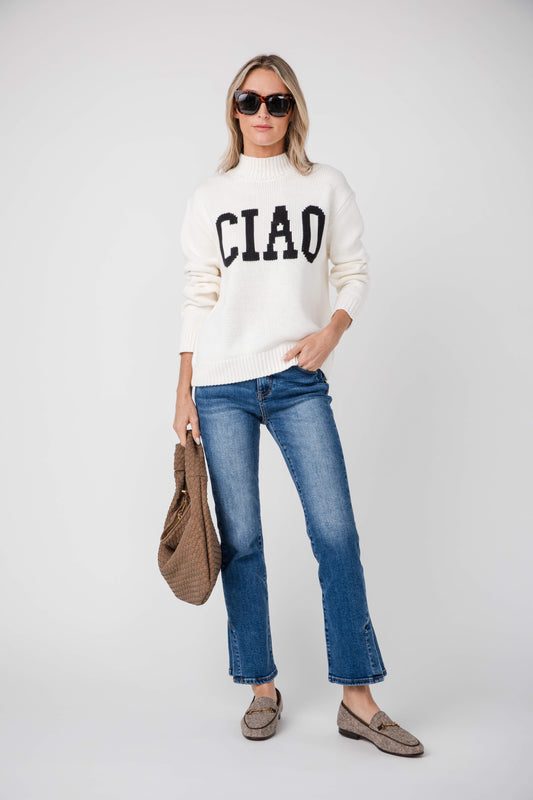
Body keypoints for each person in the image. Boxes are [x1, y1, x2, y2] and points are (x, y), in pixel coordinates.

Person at [173, 53, 424, 757]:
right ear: (233, 110)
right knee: (242, 540)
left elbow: (353, 272)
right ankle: (261, 687)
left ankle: (357, 697)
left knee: (334, 533)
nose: (262, 113)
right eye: (249, 101)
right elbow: (199, 291)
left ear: (293, 111)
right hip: (220, 385)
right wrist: (183, 388)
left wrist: (331, 332)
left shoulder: (325, 185)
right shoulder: (210, 196)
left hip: (295, 380)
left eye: (276, 102)